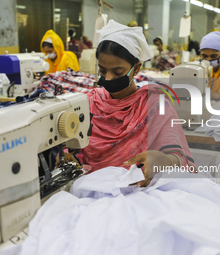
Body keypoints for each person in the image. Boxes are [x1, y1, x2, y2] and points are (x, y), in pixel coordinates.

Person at [62, 20, 195, 187]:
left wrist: (165, 160)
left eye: (118, 72)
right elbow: (71, 147)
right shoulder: (89, 102)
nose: (108, 78)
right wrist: (68, 155)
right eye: (102, 71)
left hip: (140, 191)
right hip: (90, 188)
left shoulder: (154, 105)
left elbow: (178, 158)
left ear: (137, 68)